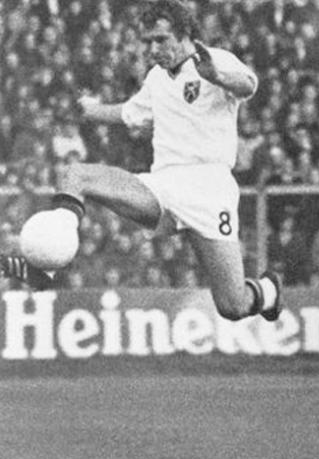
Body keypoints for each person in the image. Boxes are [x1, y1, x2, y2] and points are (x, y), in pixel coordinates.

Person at [0, 0, 282, 322]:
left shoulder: (214, 60)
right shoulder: (156, 79)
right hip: (163, 186)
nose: (153, 49)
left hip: (209, 188)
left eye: (161, 40)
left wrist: (218, 76)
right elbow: (129, 112)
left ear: (184, 33)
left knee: (233, 305)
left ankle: (269, 290)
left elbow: (248, 85)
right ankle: (46, 262)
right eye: (148, 42)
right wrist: (88, 111)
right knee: (75, 175)